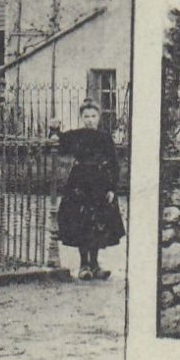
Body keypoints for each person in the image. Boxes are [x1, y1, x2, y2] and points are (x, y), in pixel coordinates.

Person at [53, 100, 125, 280]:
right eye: (86, 116)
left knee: (98, 224)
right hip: (79, 185)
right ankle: (84, 265)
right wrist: (54, 129)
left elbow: (114, 164)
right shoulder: (76, 135)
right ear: (81, 118)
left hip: (99, 185)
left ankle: (95, 264)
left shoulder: (105, 137)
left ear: (99, 117)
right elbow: (59, 145)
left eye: (93, 116)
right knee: (80, 223)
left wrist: (112, 188)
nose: (90, 120)